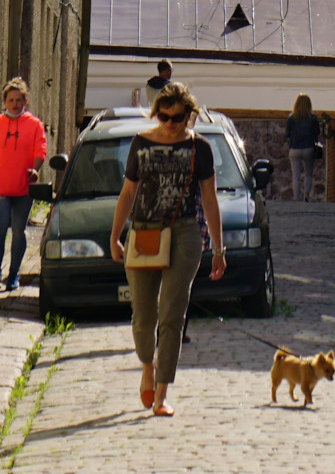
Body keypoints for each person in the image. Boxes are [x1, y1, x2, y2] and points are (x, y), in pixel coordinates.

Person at [110, 81, 225, 418]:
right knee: (143, 316)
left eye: (177, 117)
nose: (171, 123)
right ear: (156, 113)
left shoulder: (200, 148)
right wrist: (116, 235)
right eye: (164, 116)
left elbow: (209, 199)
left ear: (189, 116)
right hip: (145, 232)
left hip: (185, 233)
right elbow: (128, 193)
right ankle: (148, 365)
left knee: (172, 314)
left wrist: (219, 249)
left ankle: (162, 394)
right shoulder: (140, 144)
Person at [0, 78, 47, 292]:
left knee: (19, 230)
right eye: (11, 100)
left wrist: (35, 169)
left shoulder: (35, 125)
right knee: (0, 227)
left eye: (19, 100)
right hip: (0, 186)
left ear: (25, 101)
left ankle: (14, 275)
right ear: (4, 102)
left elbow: (41, 150)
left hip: (24, 188)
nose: (15, 104)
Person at [286, 93, 324, 202]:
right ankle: (306, 195)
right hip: (308, 148)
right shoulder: (313, 118)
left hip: (294, 149)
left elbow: (287, 134)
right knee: (308, 173)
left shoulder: (291, 118)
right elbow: (317, 132)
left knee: (295, 175)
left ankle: (297, 198)